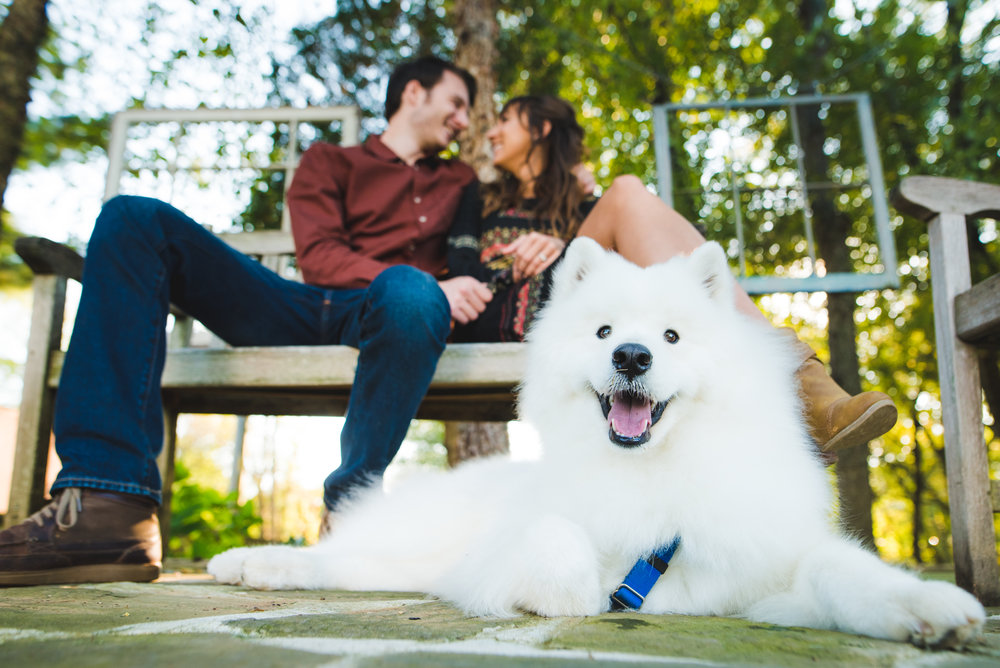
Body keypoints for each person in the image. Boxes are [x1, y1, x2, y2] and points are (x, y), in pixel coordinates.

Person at [0, 56, 495, 587]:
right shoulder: (330, 161)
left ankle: (350, 513)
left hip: (395, 315)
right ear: (415, 93)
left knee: (411, 292)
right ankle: (106, 505)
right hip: (297, 307)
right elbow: (321, 258)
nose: (464, 121)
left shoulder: (461, 180)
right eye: (458, 104)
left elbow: (522, 201)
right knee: (132, 218)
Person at [447, 94, 897, 451]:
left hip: (595, 314)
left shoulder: (582, 203)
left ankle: (795, 380)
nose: (491, 132)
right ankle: (800, 379)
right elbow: (463, 269)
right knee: (626, 191)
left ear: (540, 128)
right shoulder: (478, 194)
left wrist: (562, 245)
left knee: (628, 196)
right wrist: (541, 255)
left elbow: (638, 256)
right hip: (521, 313)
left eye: (504, 119)